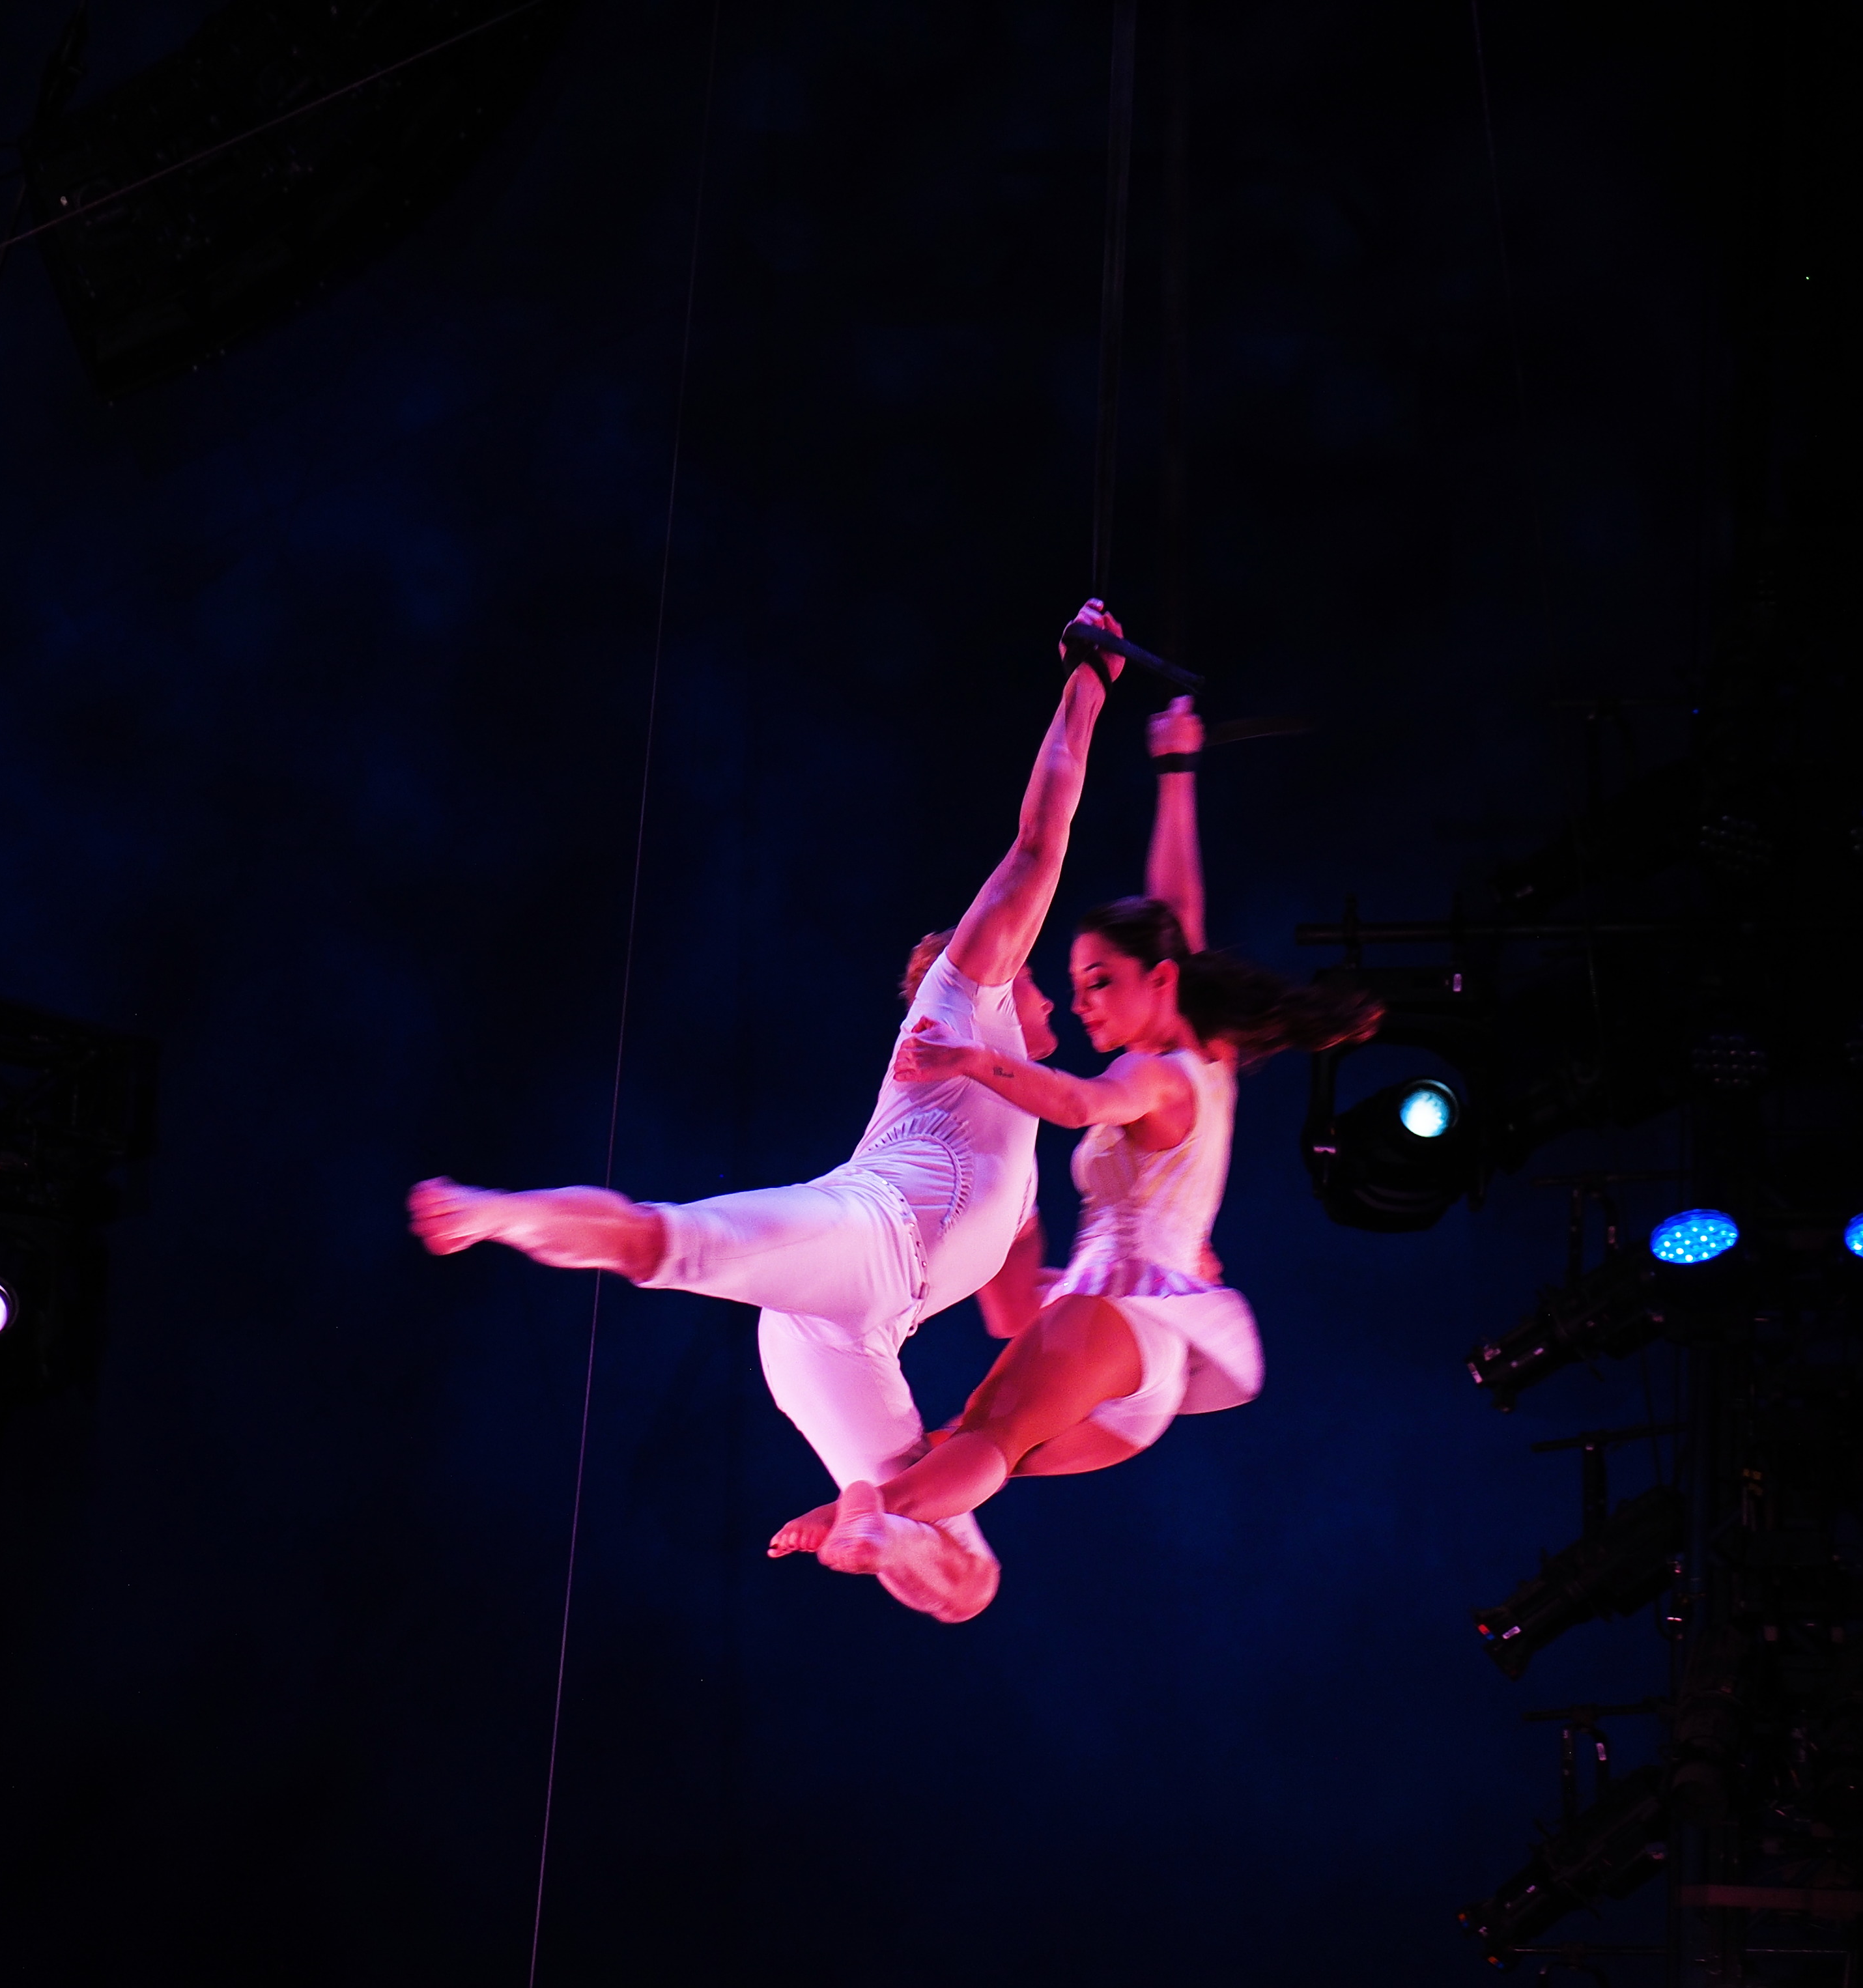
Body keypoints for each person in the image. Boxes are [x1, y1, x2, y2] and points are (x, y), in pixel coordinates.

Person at [406, 606, 1130, 1620]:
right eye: (1049, 980)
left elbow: (1016, 1317)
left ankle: (875, 1527)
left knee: (968, 1586)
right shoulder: (971, 1000)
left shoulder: (1022, 1154)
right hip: (858, 1233)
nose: (1057, 998)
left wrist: (1127, 1297)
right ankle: (496, 1212)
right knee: (668, 1241)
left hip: (854, 1337)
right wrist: (1088, 682)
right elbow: (1040, 839)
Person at [767, 696, 1380, 1619]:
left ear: (1160, 981)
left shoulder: (1154, 1072)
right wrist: (1176, 773)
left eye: (1097, 983)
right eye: (1074, 984)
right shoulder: (1204, 1053)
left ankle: (869, 1515)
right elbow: (1177, 918)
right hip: (1141, 1369)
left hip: (1129, 1325)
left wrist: (972, 1061)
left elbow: (1084, 1101)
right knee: (974, 1445)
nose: (1081, 1002)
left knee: (986, 1437)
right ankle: (885, 1521)